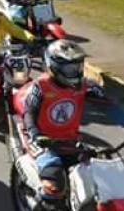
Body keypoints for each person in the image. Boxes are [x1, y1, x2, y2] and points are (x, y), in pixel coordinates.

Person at [19, 40, 95, 206]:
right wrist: (34, 133)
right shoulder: (40, 86)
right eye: (70, 68)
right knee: (54, 186)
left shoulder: (83, 85)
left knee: (96, 174)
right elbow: (29, 112)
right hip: (43, 141)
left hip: (71, 140)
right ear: (54, 67)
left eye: (78, 67)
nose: (76, 72)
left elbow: (107, 102)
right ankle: (38, 202)